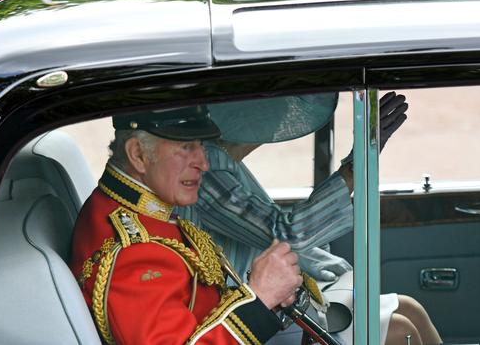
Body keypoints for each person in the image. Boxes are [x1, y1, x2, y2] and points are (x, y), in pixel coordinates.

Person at [175, 92, 442, 345]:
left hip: (282, 296)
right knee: (401, 330)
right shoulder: (207, 171)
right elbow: (287, 234)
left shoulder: (223, 164)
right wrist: (354, 166)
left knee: (411, 308)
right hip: (251, 309)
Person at [69, 106, 304, 345]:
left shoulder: (127, 209)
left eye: (200, 145)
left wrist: (264, 298)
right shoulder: (135, 254)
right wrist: (261, 298)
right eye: (186, 147)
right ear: (138, 154)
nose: (203, 163)